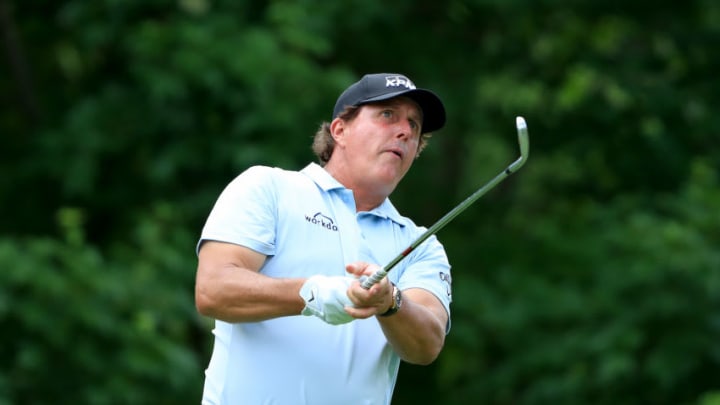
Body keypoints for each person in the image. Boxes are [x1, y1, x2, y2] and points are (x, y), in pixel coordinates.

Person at [195, 73, 453, 404]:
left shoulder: (419, 244)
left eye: (414, 126)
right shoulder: (269, 189)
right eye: (387, 115)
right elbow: (212, 289)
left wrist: (391, 302)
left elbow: (427, 344)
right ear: (339, 130)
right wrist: (312, 293)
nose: (405, 131)